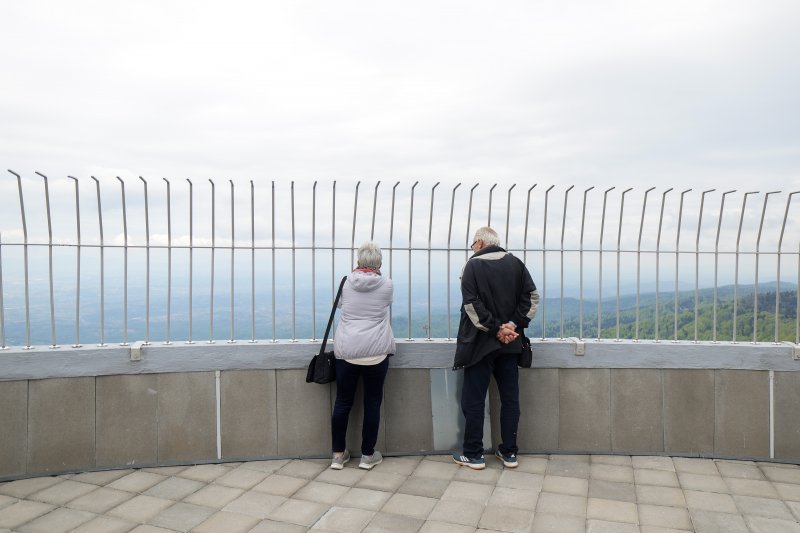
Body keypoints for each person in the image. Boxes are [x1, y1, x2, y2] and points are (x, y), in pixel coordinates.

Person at [452, 226, 538, 470]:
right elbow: (531, 299)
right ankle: (509, 452)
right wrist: (512, 326)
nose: (472, 249)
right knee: (510, 399)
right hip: (511, 345)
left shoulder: (472, 266)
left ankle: (474, 454)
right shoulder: (517, 264)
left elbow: (472, 306)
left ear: (479, 243)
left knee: (474, 400)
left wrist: (495, 329)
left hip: (479, 346)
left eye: (472, 244)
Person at [330, 241, 395, 470]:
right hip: (377, 353)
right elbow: (384, 305)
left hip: (347, 352)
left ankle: (338, 456)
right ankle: (368, 456)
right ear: (379, 263)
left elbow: (338, 306)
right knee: (373, 403)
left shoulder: (345, 283)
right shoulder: (387, 284)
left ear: (357, 261)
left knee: (343, 402)